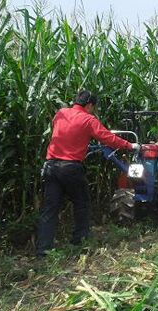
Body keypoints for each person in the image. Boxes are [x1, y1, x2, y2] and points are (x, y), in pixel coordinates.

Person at [35, 90, 139, 256]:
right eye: (93, 107)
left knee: (50, 209)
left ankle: (43, 249)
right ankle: (79, 242)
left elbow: (63, 131)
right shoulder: (88, 119)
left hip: (50, 167)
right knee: (82, 204)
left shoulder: (60, 113)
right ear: (89, 105)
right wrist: (129, 145)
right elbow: (107, 138)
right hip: (70, 168)